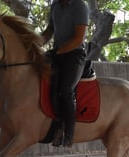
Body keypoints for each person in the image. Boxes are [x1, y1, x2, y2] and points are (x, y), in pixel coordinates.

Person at [41, 0, 89, 147]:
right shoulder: (55, 5)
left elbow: (78, 38)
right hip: (57, 53)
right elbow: (50, 30)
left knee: (66, 90)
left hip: (74, 54)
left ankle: (68, 133)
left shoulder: (80, 6)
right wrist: (34, 43)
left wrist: (56, 52)